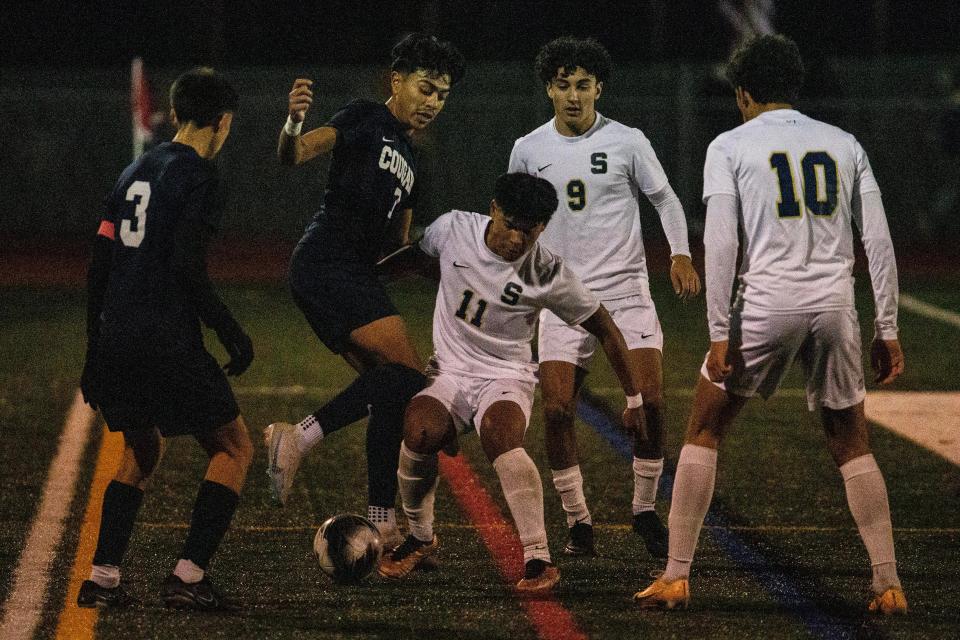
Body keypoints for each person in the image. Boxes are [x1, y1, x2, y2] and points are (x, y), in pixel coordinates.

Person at [633, 34, 907, 615]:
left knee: (704, 428)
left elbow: (723, 238)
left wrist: (717, 331)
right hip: (835, 305)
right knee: (851, 441)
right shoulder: (843, 143)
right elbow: (877, 239)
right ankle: (888, 582)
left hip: (767, 303)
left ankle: (676, 575)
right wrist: (887, 326)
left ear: (743, 94)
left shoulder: (730, 146)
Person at [376, 172, 647, 592]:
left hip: (506, 374)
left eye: (530, 231)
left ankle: (539, 558)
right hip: (449, 369)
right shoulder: (452, 229)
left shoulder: (549, 272)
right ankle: (420, 537)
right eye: (510, 226)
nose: (518, 240)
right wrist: (366, 282)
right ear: (493, 210)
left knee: (501, 436)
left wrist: (634, 398)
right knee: (419, 429)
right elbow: (414, 256)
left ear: (543, 227)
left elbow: (607, 329)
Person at [264, 33, 465, 547]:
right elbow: (295, 155)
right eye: (425, 88)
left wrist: (445, 264)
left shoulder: (414, 164)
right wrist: (292, 122)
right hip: (326, 263)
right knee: (404, 377)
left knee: (392, 393)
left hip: (353, 272)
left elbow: (396, 246)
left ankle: (381, 519)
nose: (433, 102)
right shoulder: (363, 116)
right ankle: (298, 438)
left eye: (442, 95)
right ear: (397, 82)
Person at [507, 36, 701, 558]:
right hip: (559, 297)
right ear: (549, 88)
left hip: (624, 289)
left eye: (584, 85)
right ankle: (578, 520)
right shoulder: (528, 148)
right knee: (556, 411)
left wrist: (679, 253)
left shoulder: (628, 140)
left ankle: (643, 510)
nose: (574, 95)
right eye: (563, 84)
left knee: (653, 403)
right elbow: (516, 219)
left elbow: (664, 197)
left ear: (600, 88)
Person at [77, 68, 253, 611]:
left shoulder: (132, 171)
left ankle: (102, 579)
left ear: (176, 114)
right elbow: (186, 267)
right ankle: (188, 574)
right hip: (164, 334)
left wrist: (93, 350)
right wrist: (231, 332)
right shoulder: (203, 176)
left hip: (117, 335)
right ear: (222, 122)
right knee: (234, 447)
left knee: (142, 446)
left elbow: (99, 266)